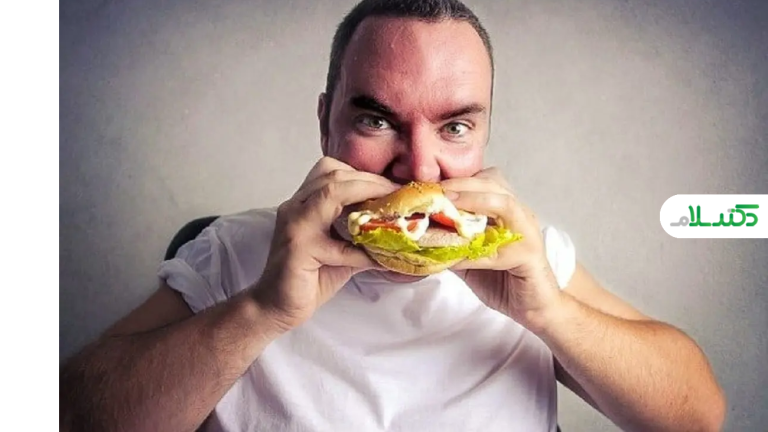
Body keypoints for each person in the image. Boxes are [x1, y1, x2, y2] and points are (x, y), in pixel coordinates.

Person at [58, 1, 726, 431]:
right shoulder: (235, 250)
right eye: (376, 120)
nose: (421, 170)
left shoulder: (525, 257)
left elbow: (697, 416)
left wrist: (548, 313)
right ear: (326, 122)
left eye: (455, 127)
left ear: (484, 134)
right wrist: (263, 311)